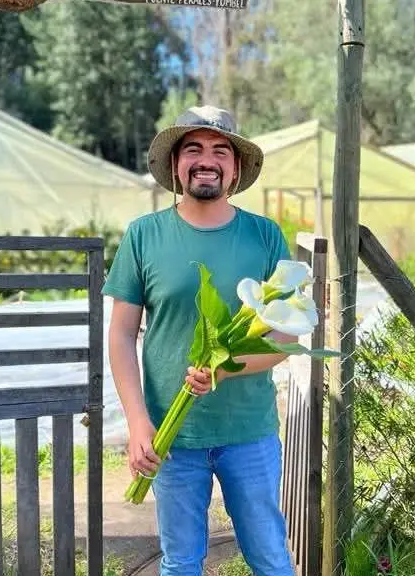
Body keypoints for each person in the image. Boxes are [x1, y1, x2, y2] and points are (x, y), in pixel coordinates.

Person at [102, 105, 297, 575]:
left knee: (270, 558)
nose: (205, 159)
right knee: (181, 561)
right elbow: (122, 333)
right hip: (174, 436)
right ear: (175, 165)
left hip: (248, 432)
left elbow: (286, 333)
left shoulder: (264, 236)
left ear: (234, 168)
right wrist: (138, 423)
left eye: (219, 150)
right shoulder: (143, 236)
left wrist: (227, 367)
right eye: (193, 148)